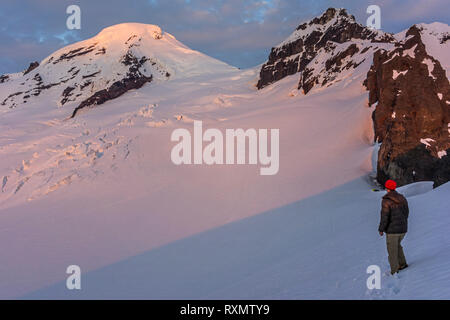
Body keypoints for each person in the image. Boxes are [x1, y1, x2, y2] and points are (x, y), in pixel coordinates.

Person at [378, 179, 409, 275]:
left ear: (387, 188)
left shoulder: (386, 201)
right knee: (398, 246)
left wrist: (381, 229)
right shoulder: (402, 198)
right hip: (403, 229)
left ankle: (394, 271)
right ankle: (403, 264)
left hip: (392, 231)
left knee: (392, 250)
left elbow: (384, 217)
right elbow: (406, 212)